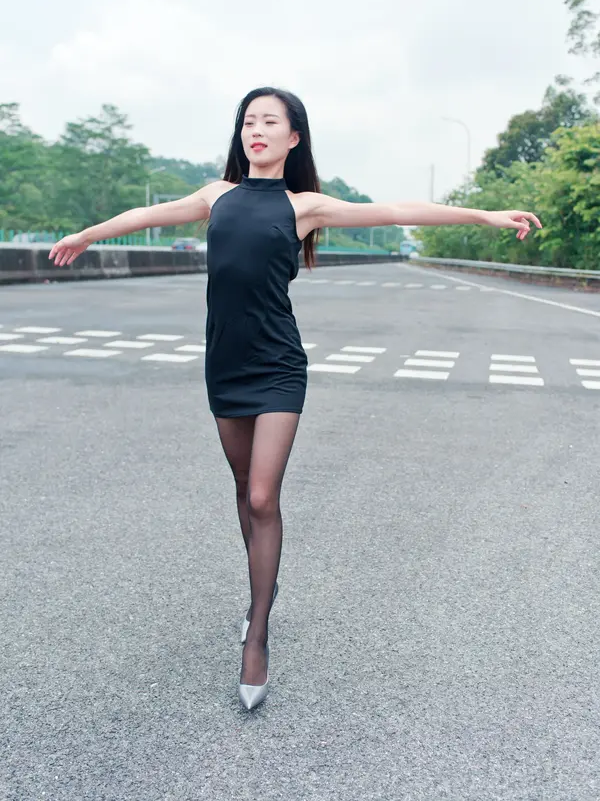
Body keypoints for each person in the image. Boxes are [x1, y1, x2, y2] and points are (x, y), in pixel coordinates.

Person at [49, 86, 541, 710]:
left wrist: (485, 216)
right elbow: (145, 216)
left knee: (262, 495)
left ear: (293, 137)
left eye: (269, 121)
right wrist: (86, 234)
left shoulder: (304, 206)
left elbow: (395, 210)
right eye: (248, 121)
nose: (255, 130)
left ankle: (256, 635)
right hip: (225, 363)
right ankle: (262, 591)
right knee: (241, 490)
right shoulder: (215, 196)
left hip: (278, 364)